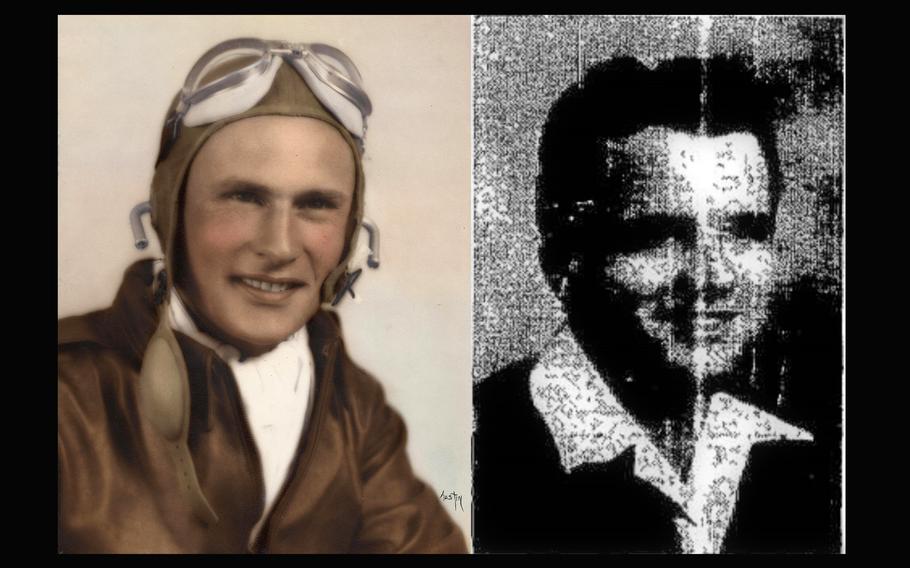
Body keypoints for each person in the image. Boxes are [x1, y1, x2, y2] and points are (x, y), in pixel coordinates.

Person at [58, 38, 467, 553]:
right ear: (169, 212)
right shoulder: (68, 395)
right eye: (244, 197)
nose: (278, 246)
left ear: (350, 233)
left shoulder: (353, 405)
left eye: (315, 205)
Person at [472, 56, 841, 553]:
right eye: (659, 236)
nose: (712, 276)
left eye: (745, 233)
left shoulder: (811, 467)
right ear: (562, 260)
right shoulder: (466, 455)